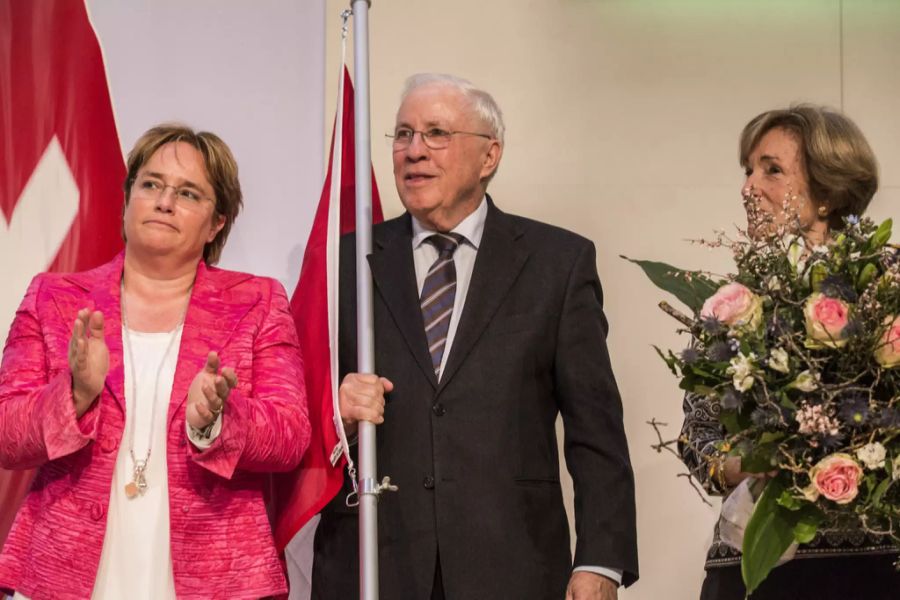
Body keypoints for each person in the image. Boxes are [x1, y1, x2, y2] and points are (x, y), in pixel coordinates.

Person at [311, 74, 638, 600]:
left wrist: (602, 560)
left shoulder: (558, 263)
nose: (414, 151)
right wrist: (334, 411)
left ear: (489, 157)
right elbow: (293, 409)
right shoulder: (346, 261)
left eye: (436, 133)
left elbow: (595, 429)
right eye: (402, 134)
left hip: (514, 564)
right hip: (376, 564)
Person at [0, 124, 310, 600]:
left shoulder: (259, 301)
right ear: (127, 201)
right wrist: (75, 394)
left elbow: (290, 436)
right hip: (63, 573)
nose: (164, 201)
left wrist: (219, 420)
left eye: (188, 193)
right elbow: (6, 433)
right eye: (150, 184)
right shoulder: (55, 297)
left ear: (217, 222)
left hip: (216, 576)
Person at [680, 105, 899, 600]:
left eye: (771, 169)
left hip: (878, 566)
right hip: (758, 569)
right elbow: (698, 441)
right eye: (748, 170)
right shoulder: (732, 303)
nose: (748, 187)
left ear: (828, 191)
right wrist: (748, 461)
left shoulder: (889, 285)